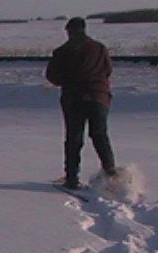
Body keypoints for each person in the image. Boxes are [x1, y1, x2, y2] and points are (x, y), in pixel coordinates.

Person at [45, 17, 116, 189]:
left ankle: (71, 179)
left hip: (74, 99)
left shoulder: (62, 51)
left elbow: (52, 77)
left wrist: (68, 80)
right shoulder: (99, 48)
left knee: (74, 138)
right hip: (99, 97)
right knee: (100, 135)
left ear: (69, 31)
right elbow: (108, 70)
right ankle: (111, 172)